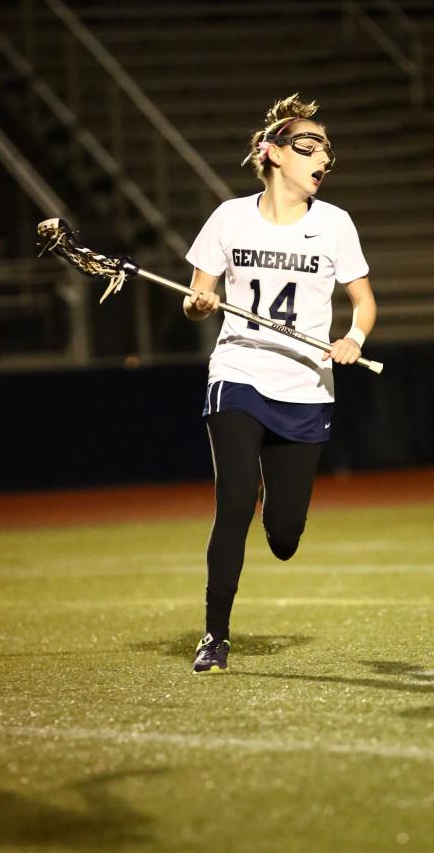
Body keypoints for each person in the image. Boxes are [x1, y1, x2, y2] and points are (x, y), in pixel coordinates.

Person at [183, 92, 377, 674]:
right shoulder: (228, 217)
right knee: (234, 501)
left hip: (307, 389)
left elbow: (363, 302)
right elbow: (198, 299)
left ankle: (278, 508)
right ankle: (215, 636)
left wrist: (353, 339)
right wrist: (199, 304)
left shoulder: (336, 224)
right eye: (308, 145)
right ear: (271, 153)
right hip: (239, 374)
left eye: (326, 150)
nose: (321, 158)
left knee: (285, 535)